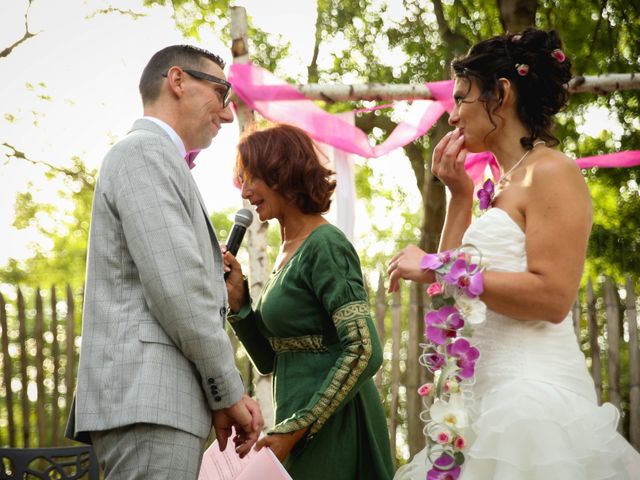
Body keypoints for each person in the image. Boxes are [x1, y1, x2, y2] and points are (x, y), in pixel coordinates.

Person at [388, 28, 640, 479]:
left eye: (462, 98)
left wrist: (433, 263)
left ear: (500, 94)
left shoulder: (552, 171)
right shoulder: (498, 186)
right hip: (481, 403)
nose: (452, 117)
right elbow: (452, 298)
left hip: (530, 404)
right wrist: (460, 200)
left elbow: (552, 297)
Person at [65, 45, 264, 479]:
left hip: (158, 405)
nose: (229, 114)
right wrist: (229, 392)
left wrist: (213, 400)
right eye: (221, 93)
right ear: (178, 81)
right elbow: (180, 291)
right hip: (148, 403)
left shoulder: (156, 159)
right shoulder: (144, 154)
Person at [223, 123, 395, 479]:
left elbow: (365, 350)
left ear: (281, 173)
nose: (246, 191)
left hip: (335, 424)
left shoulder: (325, 245)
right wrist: (240, 306)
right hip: (293, 421)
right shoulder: (287, 251)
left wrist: (299, 426)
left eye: (251, 177)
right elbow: (273, 359)